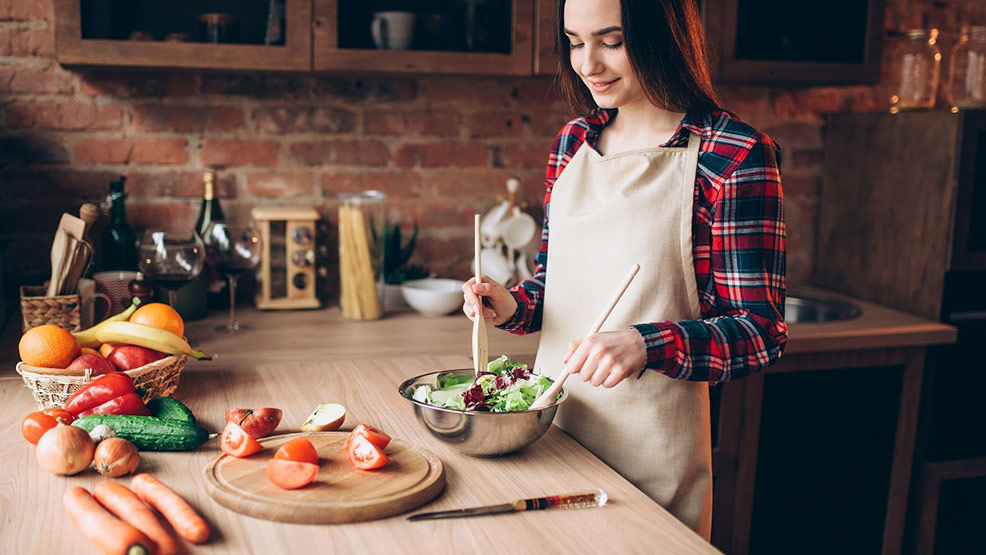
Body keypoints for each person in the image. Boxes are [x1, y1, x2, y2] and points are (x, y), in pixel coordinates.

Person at [462, 0, 787, 540]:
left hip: (650, 467)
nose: (587, 64)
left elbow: (760, 332)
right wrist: (513, 304)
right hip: (552, 440)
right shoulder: (571, 143)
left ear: (665, 36)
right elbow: (557, 280)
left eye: (611, 41)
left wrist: (646, 344)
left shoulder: (734, 156)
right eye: (574, 41)